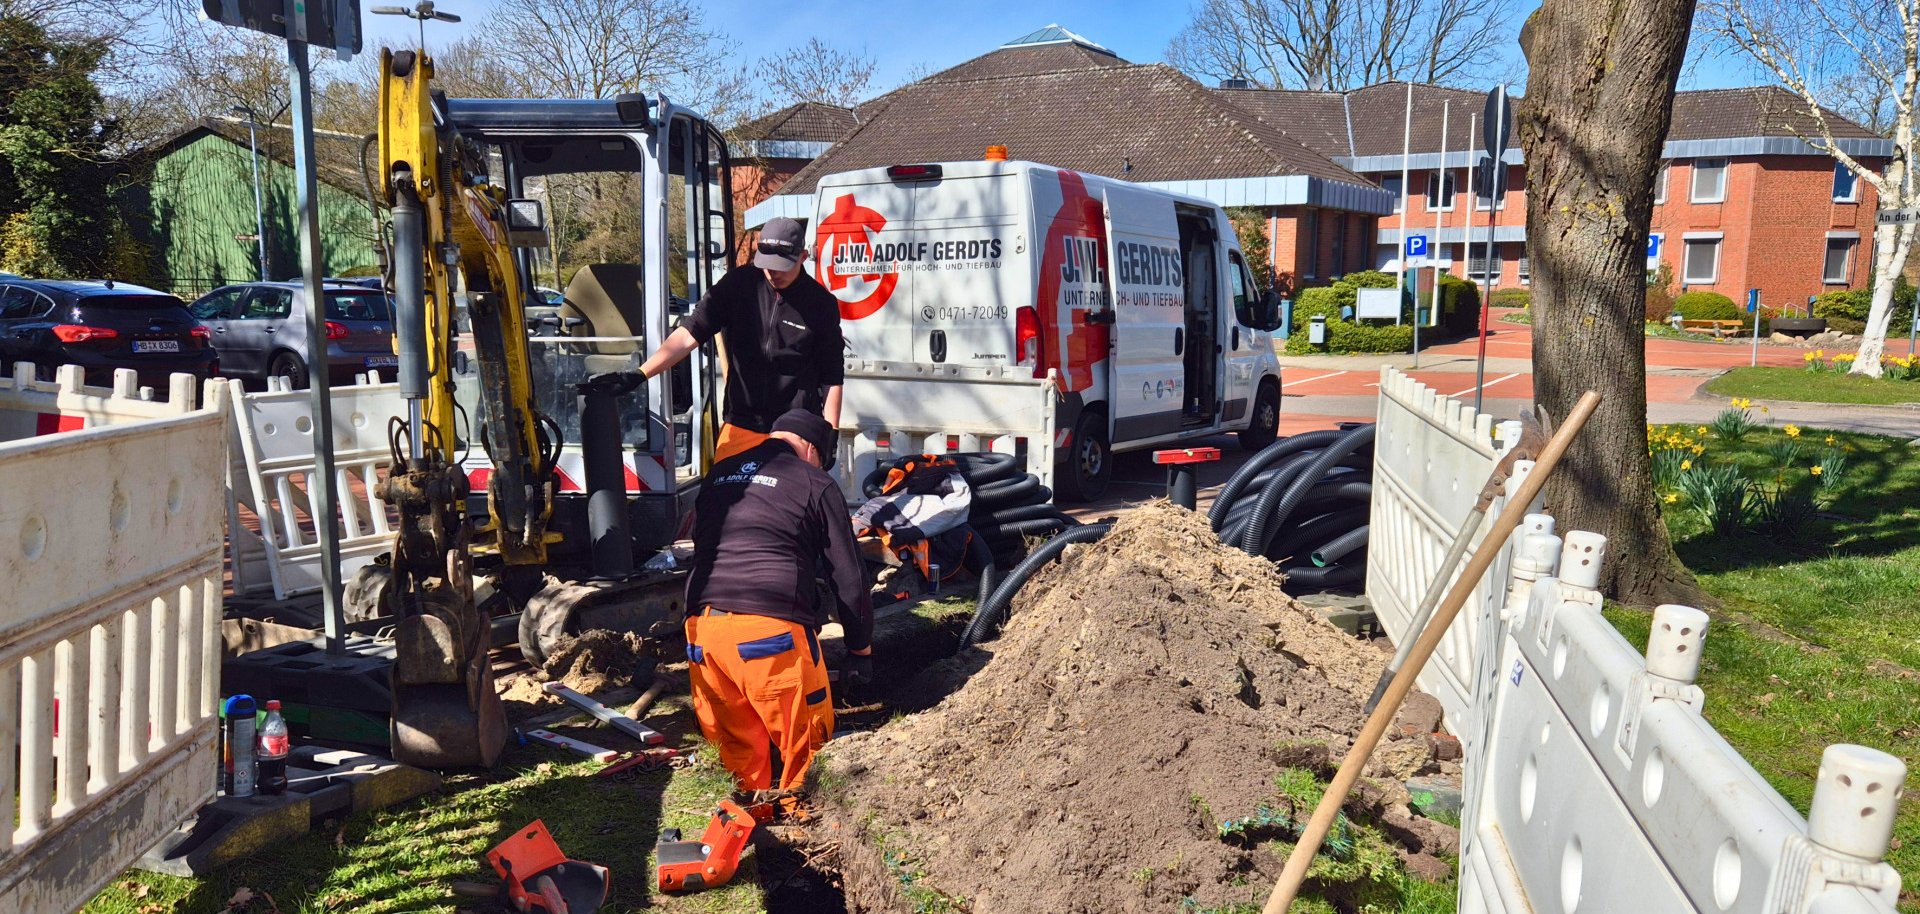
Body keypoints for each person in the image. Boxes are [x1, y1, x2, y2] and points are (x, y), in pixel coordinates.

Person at [682, 409, 873, 792]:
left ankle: (748, 829)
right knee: (804, 750)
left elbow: (701, 547)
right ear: (811, 450)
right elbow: (849, 579)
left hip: (703, 633)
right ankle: (803, 827)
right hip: (770, 635)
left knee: (738, 752)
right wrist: (860, 650)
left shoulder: (718, 475)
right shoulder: (814, 481)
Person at [638, 217, 844, 462]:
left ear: (803, 257)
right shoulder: (739, 285)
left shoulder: (820, 304)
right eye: (767, 265)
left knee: (787, 500)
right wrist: (640, 374)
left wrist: (829, 433)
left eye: (781, 266)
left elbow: (832, 377)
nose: (772, 272)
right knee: (725, 496)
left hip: (794, 431)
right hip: (741, 423)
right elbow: (689, 333)